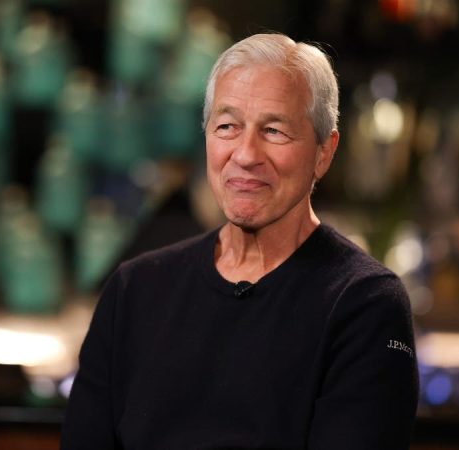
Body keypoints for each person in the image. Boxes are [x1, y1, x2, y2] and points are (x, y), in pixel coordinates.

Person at [61, 33, 418, 449]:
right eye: (227, 127)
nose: (245, 154)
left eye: (274, 130)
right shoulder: (133, 291)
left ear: (324, 151)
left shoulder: (365, 305)